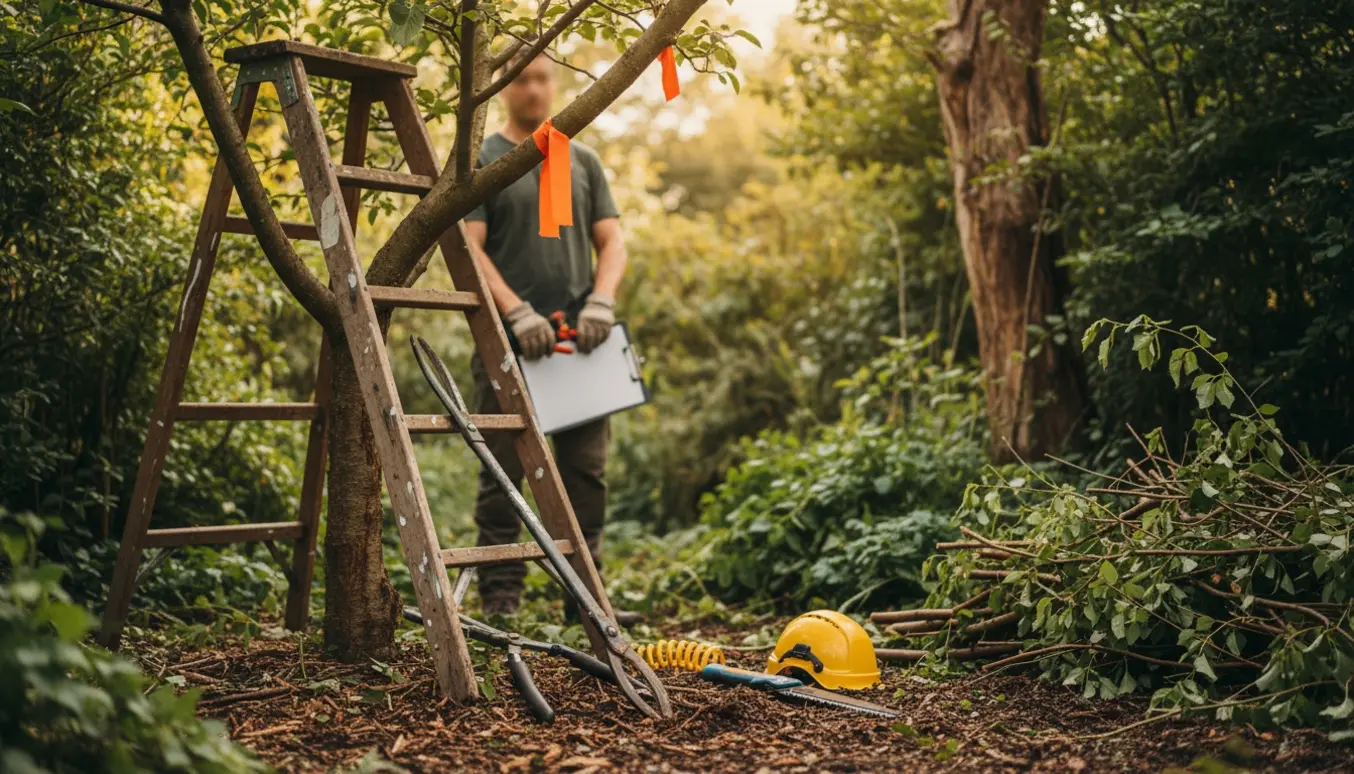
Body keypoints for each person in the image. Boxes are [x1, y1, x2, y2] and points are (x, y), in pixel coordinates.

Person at [464, 52, 628, 617]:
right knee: (503, 472)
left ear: (553, 84)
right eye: (521, 80)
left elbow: (613, 241)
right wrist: (515, 313)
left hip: (579, 341)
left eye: (541, 78)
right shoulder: (483, 160)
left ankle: (587, 600)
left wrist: (602, 300)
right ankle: (500, 596)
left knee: (586, 473)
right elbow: (469, 249)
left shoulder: (581, 159)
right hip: (506, 342)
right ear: (503, 88)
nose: (533, 89)